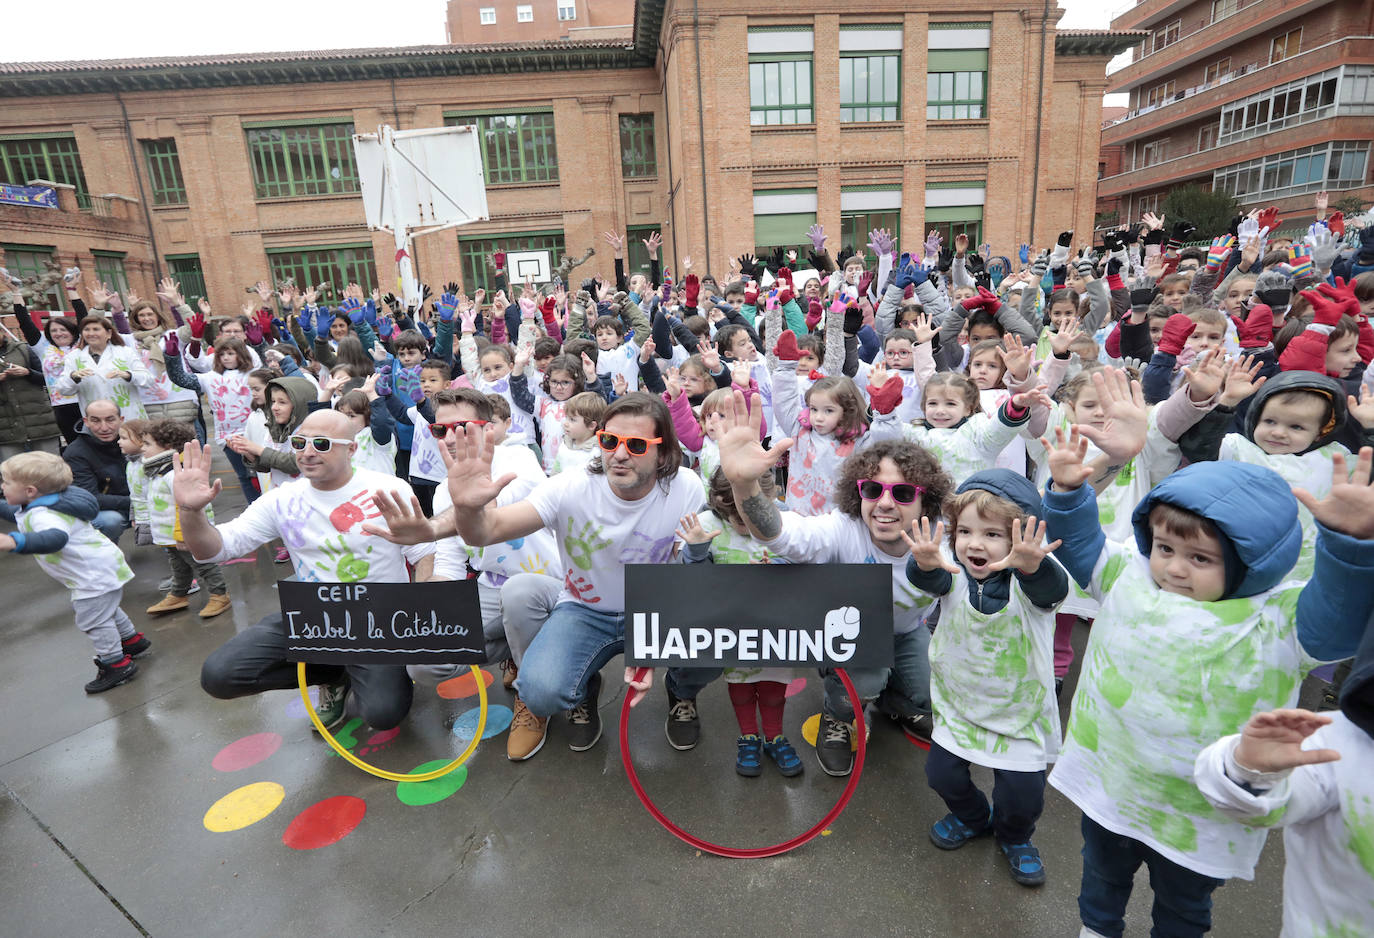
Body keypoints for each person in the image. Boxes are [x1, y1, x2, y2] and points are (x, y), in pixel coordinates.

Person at [1041, 416, 1372, 938]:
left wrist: (1350, 546)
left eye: (1200, 558)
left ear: (1251, 562)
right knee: (1101, 875)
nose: (1173, 568)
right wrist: (1065, 490)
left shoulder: (1277, 619)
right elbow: (1081, 546)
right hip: (1114, 781)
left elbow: (1336, 624)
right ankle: (1097, 929)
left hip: (1199, 810)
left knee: (1183, 906)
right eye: (1166, 548)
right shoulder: (1131, 576)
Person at [368, 392, 704, 759]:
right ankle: (581, 687)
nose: (619, 454)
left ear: (664, 451)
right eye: (610, 440)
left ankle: (682, 690)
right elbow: (484, 532)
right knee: (541, 691)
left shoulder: (686, 486)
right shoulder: (570, 486)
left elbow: (690, 569)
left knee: (714, 644)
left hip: (651, 603)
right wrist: (465, 506)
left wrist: (651, 641)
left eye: (636, 444)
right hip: (584, 609)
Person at [712, 390, 954, 776]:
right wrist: (745, 487)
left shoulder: (945, 536)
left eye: (904, 493)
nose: (886, 503)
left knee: (929, 694)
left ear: (926, 502)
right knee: (863, 681)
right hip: (852, 636)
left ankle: (895, 697)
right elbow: (779, 534)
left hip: (908, 634)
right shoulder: (843, 528)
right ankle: (838, 715)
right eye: (873, 490)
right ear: (858, 492)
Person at [176, 408, 435, 730]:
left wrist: (419, 621)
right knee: (219, 675)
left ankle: (379, 672)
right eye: (299, 443)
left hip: (379, 621)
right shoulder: (281, 499)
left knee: (383, 714)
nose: (308, 452)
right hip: (312, 619)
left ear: (351, 449)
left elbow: (424, 552)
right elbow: (216, 549)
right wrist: (189, 510)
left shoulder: (387, 488)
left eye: (322, 444)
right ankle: (332, 675)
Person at [902, 470, 1068, 887]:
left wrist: (1033, 568)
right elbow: (933, 577)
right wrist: (923, 563)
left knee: (1021, 797)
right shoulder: (954, 571)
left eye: (993, 534)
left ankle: (1015, 837)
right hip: (959, 704)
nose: (975, 543)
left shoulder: (1032, 584)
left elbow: (1051, 591)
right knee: (941, 774)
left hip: (1018, 713)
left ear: (1020, 537)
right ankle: (972, 815)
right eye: (966, 531)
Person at [0, 452, 147, 693]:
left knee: (93, 618)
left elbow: (54, 538)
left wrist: (13, 542)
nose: (2, 487)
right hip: (102, 567)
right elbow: (12, 512)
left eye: (6, 482)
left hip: (91, 574)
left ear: (29, 491)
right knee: (106, 608)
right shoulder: (45, 502)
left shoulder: (43, 515)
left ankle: (115, 663)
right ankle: (131, 640)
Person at [137, 420, 232, 619]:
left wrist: (183, 536)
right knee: (179, 568)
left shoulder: (174, 474)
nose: (141, 448)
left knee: (203, 564)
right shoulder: (157, 472)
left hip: (186, 535)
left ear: (168, 447)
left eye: (147, 443)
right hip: (169, 535)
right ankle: (178, 594)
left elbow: (187, 506)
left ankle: (219, 594)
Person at [61, 399, 131, 542]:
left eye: (110, 420)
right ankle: (107, 556)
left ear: (121, 419)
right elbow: (91, 499)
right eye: (96, 421)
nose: (104, 428)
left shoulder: (135, 440)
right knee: (111, 521)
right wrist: (137, 502)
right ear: (86, 421)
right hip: (102, 509)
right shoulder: (76, 453)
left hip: (135, 501)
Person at [0, 320, 61, 461]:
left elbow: (48, 378)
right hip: (5, 426)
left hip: (40, 420)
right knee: (13, 472)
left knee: (50, 466)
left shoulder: (23, 349)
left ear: (3, 332)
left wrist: (27, 372)